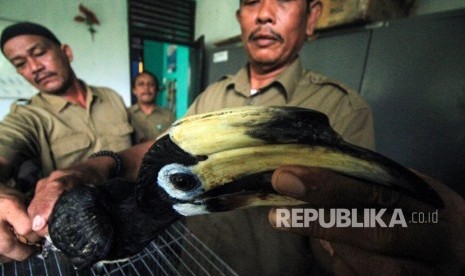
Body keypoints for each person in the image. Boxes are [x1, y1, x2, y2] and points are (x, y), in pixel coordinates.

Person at [11, 1, 465, 275]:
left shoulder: (342, 106)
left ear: (312, 17)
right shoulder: (212, 94)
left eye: (283, 1)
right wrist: (95, 166)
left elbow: (346, 222)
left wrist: (368, 246)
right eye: (251, 1)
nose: (264, 13)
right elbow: (159, 157)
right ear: (240, 16)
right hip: (193, 266)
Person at [0, 22, 133, 262]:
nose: (34, 67)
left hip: (137, 221)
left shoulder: (112, 97)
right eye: (20, 64)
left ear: (66, 52)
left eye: (39, 53)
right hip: (83, 243)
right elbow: (4, 145)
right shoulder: (28, 116)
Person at [129, 71, 175, 144]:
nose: (146, 88)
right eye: (141, 84)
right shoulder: (126, 114)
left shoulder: (168, 116)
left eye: (151, 84)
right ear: (134, 90)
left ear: (156, 90)